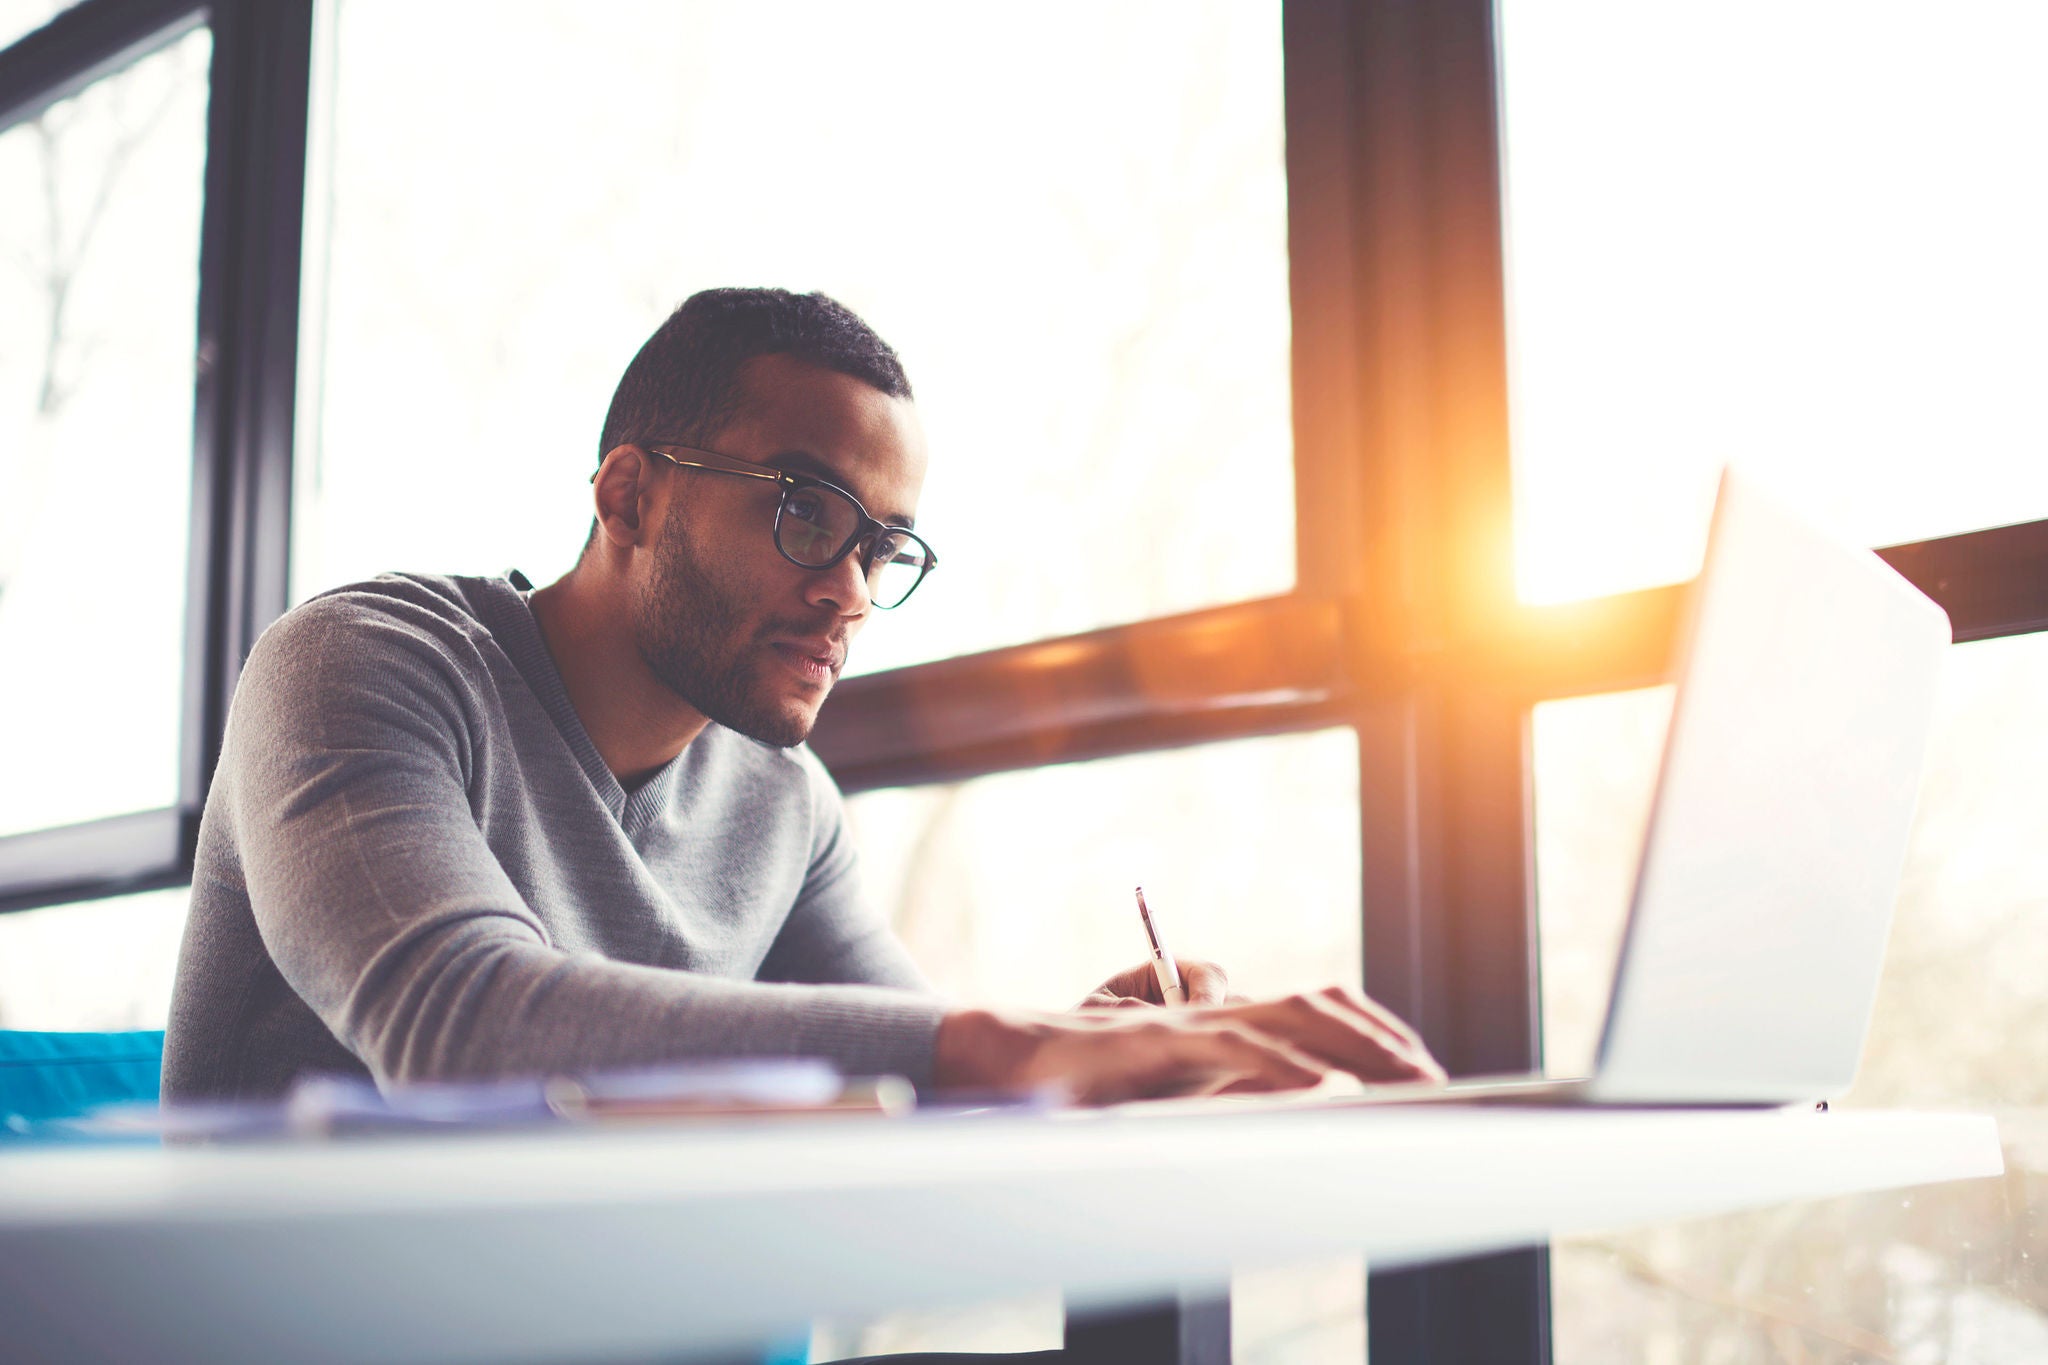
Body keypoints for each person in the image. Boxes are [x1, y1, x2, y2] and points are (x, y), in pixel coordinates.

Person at [162, 287, 1443, 1107]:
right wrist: (998, 1047)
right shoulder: (363, 664)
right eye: (801, 512)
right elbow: (456, 1022)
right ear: (627, 495)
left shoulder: (784, 804)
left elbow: (905, 1063)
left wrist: (1086, 1051)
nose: (847, 591)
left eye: (881, 548)